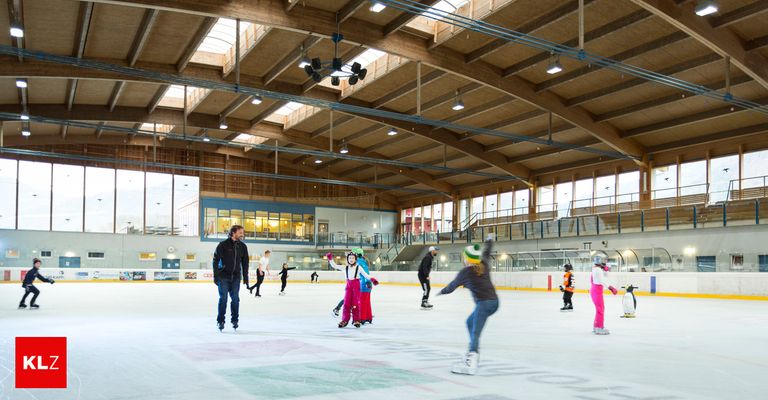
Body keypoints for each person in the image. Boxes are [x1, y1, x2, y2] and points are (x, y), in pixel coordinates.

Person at [436, 235, 498, 375]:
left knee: (475, 330)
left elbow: (452, 286)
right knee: (470, 322)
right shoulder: (483, 264)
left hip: (484, 304)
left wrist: (442, 292)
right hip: (493, 302)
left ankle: (472, 358)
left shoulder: (466, 272)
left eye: (464, 257)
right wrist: (489, 241)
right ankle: (473, 352)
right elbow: (487, 252)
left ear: (467, 259)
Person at [326, 251, 378, 328]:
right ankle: (345, 320)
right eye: (350, 258)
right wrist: (330, 259)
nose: (351, 259)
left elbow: (366, 275)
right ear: (347, 259)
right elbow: (334, 266)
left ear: (355, 259)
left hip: (356, 286)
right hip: (349, 286)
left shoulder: (358, 267)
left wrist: (372, 280)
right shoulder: (345, 267)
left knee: (355, 304)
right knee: (346, 303)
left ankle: (356, 320)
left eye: (353, 258)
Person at [213, 225, 250, 332]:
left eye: (242, 232)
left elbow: (245, 263)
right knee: (223, 299)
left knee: (235, 300)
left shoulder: (242, 246)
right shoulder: (223, 245)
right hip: (223, 277)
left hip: (236, 278)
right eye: (240, 232)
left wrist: (246, 278)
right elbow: (215, 260)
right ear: (234, 232)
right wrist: (216, 276)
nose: (242, 234)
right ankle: (220, 320)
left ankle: (235, 320)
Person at [590, 256, 618, 335]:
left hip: (595, 290)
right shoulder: (598, 270)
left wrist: (605, 270)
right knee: (600, 309)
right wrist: (610, 288)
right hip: (597, 291)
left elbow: (603, 277)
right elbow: (601, 280)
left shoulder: (595, 269)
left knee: (599, 309)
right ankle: (599, 327)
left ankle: (596, 326)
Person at [353, 248, 375, 324]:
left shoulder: (359, 262)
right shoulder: (362, 261)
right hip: (366, 284)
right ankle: (368, 317)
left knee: (361, 302)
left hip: (364, 284)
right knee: (366, 301)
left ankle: (362, 318)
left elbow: (365, 272)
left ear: (356, 254)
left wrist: (367, 282)